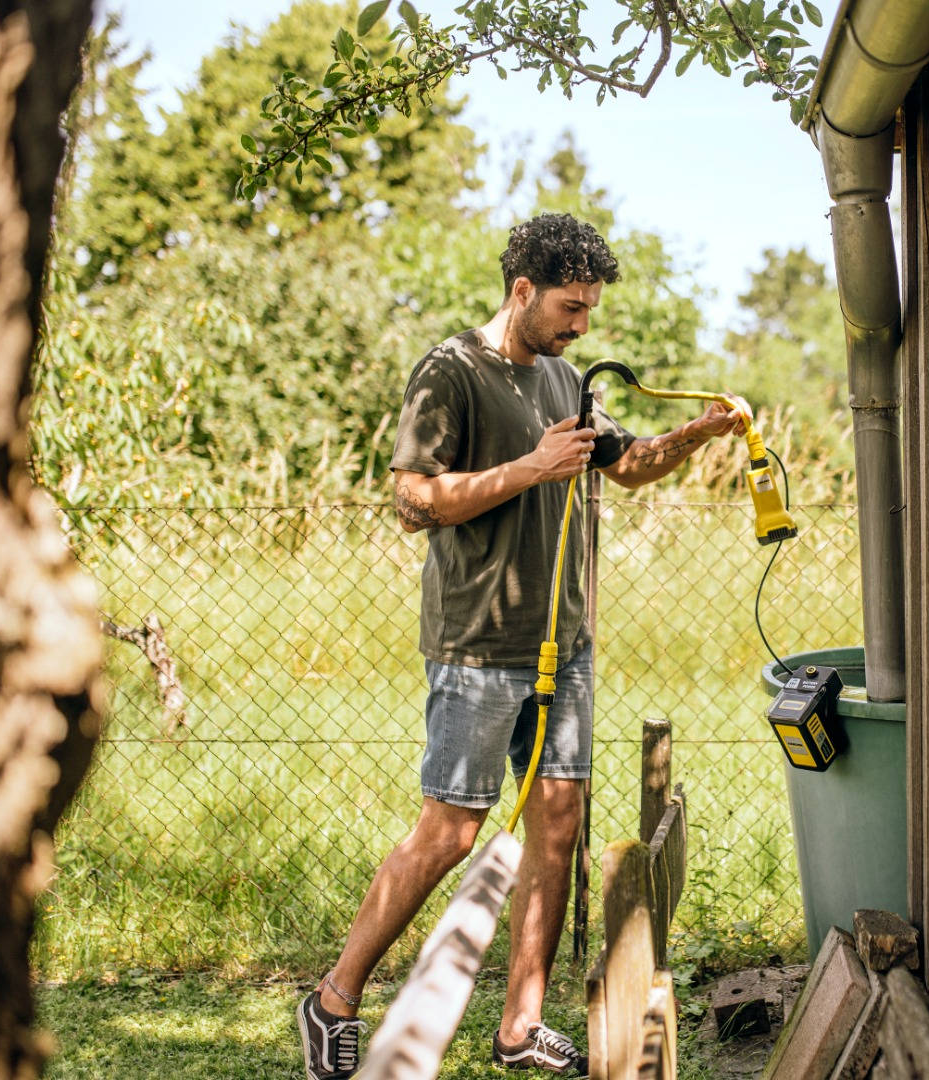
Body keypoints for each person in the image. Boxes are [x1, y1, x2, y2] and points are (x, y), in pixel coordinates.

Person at [297, 212, 747, 1079]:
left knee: (557, 830)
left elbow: (627, 462)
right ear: (522, 291)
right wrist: (529, 469)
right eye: (571, 307)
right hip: (478, 646)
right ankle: (334, 1001)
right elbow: (414, 499)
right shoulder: (452, 372)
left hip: (562, 649)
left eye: (589, 311)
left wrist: (703, 433)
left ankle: (520, 1026)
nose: (582, 326)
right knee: (450, 832)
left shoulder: (566, 377)